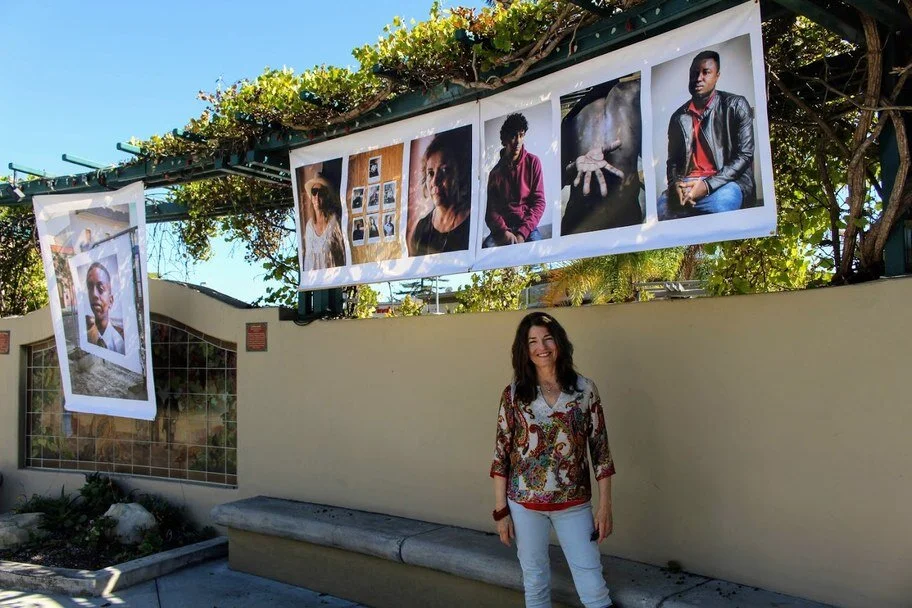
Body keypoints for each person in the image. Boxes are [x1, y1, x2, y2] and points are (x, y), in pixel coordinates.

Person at [491, 312, 616, 608]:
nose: (541, 347)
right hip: (524, 506)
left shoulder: (585, 390)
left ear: (559, 342)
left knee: (593, 584)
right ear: (524, 349)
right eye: (532, 341)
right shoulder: (513, 395)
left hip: (573, 504)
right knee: (534, 583)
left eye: (547, 338)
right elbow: (501, 455)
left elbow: (601, 452)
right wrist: (501, 512)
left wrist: (605, 506)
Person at [658, 50, 755, 220]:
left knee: (721, 208)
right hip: (687, 183)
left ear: (717, 76)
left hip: (726, 182)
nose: (698, 78)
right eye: (694, 73)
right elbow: (673, 161)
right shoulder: (678, 117)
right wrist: (675, 186)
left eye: (706, 72)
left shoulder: (736, 105)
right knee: (660, 210)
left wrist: (707, 185)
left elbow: (745, 155)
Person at [484, 113, 546, 248]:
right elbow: (491, 212)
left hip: (526, 226)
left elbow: (539, 202)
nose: (518, 141)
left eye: (521, 135)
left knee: (539, 255)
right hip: (503, 229)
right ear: (504, 140)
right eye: (513, 136)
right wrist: (504, 232)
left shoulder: (533, 162)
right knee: (486, 250)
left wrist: (522, 233)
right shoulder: (495, 174)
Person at [409, 128, 472, 256]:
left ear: (459, 174)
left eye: (444, 171)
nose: (435, 181)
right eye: (430, 173)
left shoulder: (472, 224)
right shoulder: (421, 229)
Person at [302, 171, 345, 270]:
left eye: (321, 192)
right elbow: (307, 261)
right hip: (313, 283)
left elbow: (341, 255)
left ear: (326, 196)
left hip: (332, 281)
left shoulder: (334, 222)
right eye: (314, 192)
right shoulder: (309, 226)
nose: (317, 196)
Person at [85, 262, 125, 354]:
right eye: (90, 287)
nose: (94, 294)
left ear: (110, 301)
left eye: (101, 288)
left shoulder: (119, 344)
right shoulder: (86, 338)